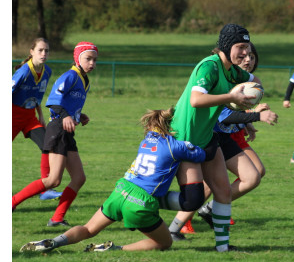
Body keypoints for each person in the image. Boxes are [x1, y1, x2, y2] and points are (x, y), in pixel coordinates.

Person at [19, 107, 208, 253]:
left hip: (121, 190)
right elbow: (200, 154)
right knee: (165, 243)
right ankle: (117, 249)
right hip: (140, 201)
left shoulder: (146, 141)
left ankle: (55, 241)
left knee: (88, 229)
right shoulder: (175, 145)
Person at [165, 23, 259, 252]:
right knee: (193, 200)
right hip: (184, 139)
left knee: (223, 191)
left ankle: (223, 248)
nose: (245, 53)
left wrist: (251, 96)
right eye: (240, 47)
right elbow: (196, 100)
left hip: (207, 137)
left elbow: (255, 80)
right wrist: (231, 96)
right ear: (226, 46)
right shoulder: (209, 66)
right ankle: (146, 205)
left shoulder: (232, 70)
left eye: (247, 48)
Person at [179, 42, 278, 235]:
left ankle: (209, 210)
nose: (248, 60)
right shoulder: (225, 78)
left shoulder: (245, 83)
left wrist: (247, 122)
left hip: (233, 133)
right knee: (211, 184)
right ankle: (182, 222)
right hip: (217, 135)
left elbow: (235, 110)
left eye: (252, 56)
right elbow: (225, 113)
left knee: (256, 172)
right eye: (244, 56)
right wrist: (255, 115)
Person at [12, 42, 98, 226]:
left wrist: (78, 115)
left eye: (94, 60)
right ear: (77, 58)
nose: (92, 63)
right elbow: (53, 101)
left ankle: (57, 218)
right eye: (88, 59)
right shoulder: (70, 76)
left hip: (67, 130)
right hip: (58, 128)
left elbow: (67, 104)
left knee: (79, 178)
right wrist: (66, 115)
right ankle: (11, 203)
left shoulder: (85, 81)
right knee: (53, 180)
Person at [12, 38, 62, 200]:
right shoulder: (24, 71)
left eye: (46, 51)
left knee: (47, 145)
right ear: (31, 52)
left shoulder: (47, 72)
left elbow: (37, 97)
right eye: (40, 50)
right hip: (12, 115)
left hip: (29, 117)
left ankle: (45, 188)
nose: (44, 54)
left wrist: (40, 115)